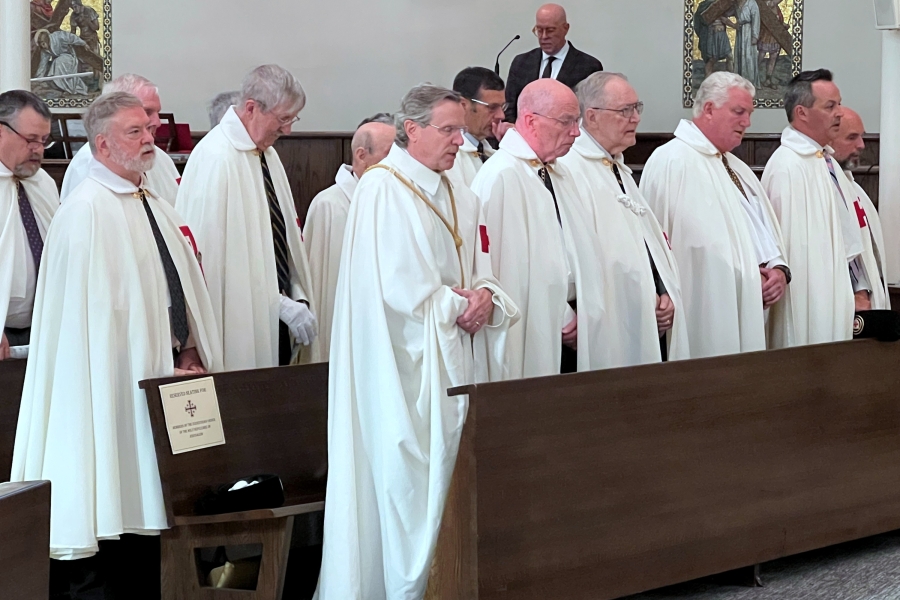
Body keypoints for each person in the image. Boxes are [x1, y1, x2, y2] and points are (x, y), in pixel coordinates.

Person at [11, 92, 222, 600]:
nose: (150, 139)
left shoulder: (150, 200)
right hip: (105, 389)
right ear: (102, 144)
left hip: (162, 379)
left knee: (150, 512)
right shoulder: (85, 211)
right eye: (135, 132)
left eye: (149, 130)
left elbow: (177, 289)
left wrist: (188, 347)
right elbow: (88, 326)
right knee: (110, 501)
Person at [314, 84, 518, 600]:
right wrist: (461, 304)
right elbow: (400, 290)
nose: (458, 141)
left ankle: (452, 581)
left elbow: (481, 268)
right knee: (408, 481)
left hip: (454, 355)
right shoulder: (384, 189)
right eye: (448, 130)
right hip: (404, 370)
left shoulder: (458, 190)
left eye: (461, 130)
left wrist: (486, 295)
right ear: (412, 130)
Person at [642, 72, 792, 358]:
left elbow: (763, 229)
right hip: (706, 306)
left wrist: (778, 269)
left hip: (749, 302)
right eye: (739, 112)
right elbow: (670, 246)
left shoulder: (737, 166)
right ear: (709, 109)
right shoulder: (672, 161)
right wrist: (749, 277)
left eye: (749, 113)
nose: (746, 122)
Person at [177, 64, 318, 369]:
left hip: (277, 315)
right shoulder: (217, 158)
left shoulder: (265, 153)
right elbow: (211, 262)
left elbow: (281, 236)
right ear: (252, 108)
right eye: (283, 119)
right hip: (238, 319)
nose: (288, 130)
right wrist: (277, 303)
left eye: (292, 119)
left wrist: (295, 293)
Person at [471, 78, 607, 378]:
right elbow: (503, 270)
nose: (575, 132)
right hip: (538, 323)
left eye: (577, 121)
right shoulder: (503, 176)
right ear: (531, 121)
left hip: (574, 322)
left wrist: (586, 305)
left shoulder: (555, 171)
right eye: (566, 122)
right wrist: (559, 313)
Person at [559, 72, 689, 365]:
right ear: (591, 117)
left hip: (641, 315)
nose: (635, 118)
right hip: (597, 324)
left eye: (637, 108)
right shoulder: (570, 170)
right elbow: (567, 256)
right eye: (625, 110)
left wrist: (662, 289)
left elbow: (645, 241)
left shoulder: (617, 167)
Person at [762, 69, 879, 343]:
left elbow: (846, 238)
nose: (839, 112)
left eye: (839, 103)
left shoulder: (824, 162)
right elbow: (791, 252)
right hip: (810, 302)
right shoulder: (787, 167)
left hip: (839, 295)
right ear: (802, 113)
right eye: (830, 106)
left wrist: (857, 289)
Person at [303, 115, 395, 357]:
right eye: (389, 155)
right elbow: (322, 286)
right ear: (362, 155)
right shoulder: (329, 205)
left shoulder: (396, 200)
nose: (397, 165)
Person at [61, 74, 182, 205]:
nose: (157, 122)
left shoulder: (160, 157)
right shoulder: (89, 163)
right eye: (147, 112)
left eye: (158, 112)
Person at [0, 90, 59, 359]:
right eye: (31, 140)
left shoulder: (43, 183)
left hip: (46, 326)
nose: (38, 149)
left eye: (44, 141)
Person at [829, 108, 890, 309]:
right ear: (829, 141)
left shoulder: (853, 187)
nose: (862, 145)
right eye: (852, 138)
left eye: (862, 137)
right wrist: (860, 291)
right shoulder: (826, 188)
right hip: (849, 302)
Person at [504, 3, 603, 122]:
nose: (544, 36)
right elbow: (510, 108)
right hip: (524, 136)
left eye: (550, 30)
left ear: (565, 29)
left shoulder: (588, 66)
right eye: (539, 30)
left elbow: (588, 115)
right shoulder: (521, 63)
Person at [447, 67, 510, 187]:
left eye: (503, 107)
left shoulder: (492, 152)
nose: (501, 115)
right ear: (463, 105)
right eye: (492, 107)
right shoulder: (450, 156)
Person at [34, 28, 88, 96]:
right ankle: (65, 88)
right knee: (58, 63)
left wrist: (83, 43)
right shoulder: (45, 51)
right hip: (59, 62)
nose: (43, 46)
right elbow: (43, 64)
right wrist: (39, 78)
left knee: (58, 62)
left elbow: (71, 37)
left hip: (69, 57)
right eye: (41, 44)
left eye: (43, 43)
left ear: (46, 39)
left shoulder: (58, 36)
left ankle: (69, 89)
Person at [695, 0, 735, 77]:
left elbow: (727, 14)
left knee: (729, 56)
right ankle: (707, 81)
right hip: (712, 35)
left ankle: (731, 79)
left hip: (722, 34)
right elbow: (699, 21)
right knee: (711, 59)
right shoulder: (703, 5)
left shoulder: (722, 3)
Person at [757, 0, 786, 89]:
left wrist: (784, 25)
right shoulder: (768, 4)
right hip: (766, 35)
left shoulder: (777, 8)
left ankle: (768, 79)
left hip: (775, 37)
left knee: (773, 58)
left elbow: (779, 21)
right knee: (761, 56)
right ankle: (754, 76)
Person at [734, 0, 761, 86]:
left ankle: (750, 81)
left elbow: (756, 18)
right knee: (739, 54)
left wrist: (755, 36)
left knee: (748, 56)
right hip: (740, 31)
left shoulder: (752, 3)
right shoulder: (737, 3)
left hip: (748, 31)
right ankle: (740, 81)